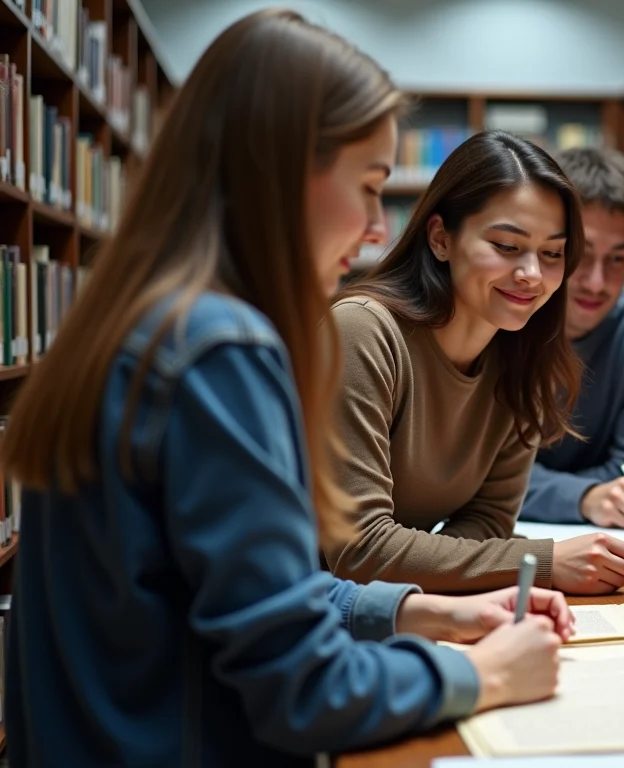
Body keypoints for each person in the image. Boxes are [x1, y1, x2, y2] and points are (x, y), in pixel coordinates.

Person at [0, 10, 576, 766]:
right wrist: (477, 674)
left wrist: (413, 609)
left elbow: (237, 597)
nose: (375, 228)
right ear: (279, 172)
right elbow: (299, 685)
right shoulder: (222, 354)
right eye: (369, 187)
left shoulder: (141, 321)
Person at [326, 131, 624, 596]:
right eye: (507, 247)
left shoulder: (523, 359)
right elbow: (359, 548)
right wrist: (539, 562)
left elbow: (489, 520)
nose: (532, 274)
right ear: (440, 238)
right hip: (294, 620)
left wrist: (432, 569)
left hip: (395, 611)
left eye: (552, 253)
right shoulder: (362, 332)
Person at [518, 147, 624, 527]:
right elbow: (469, 477)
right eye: (582, 253)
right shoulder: (504, 311)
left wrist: (550, 492)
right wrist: (582, 497)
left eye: (618, 259)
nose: (597, 282)